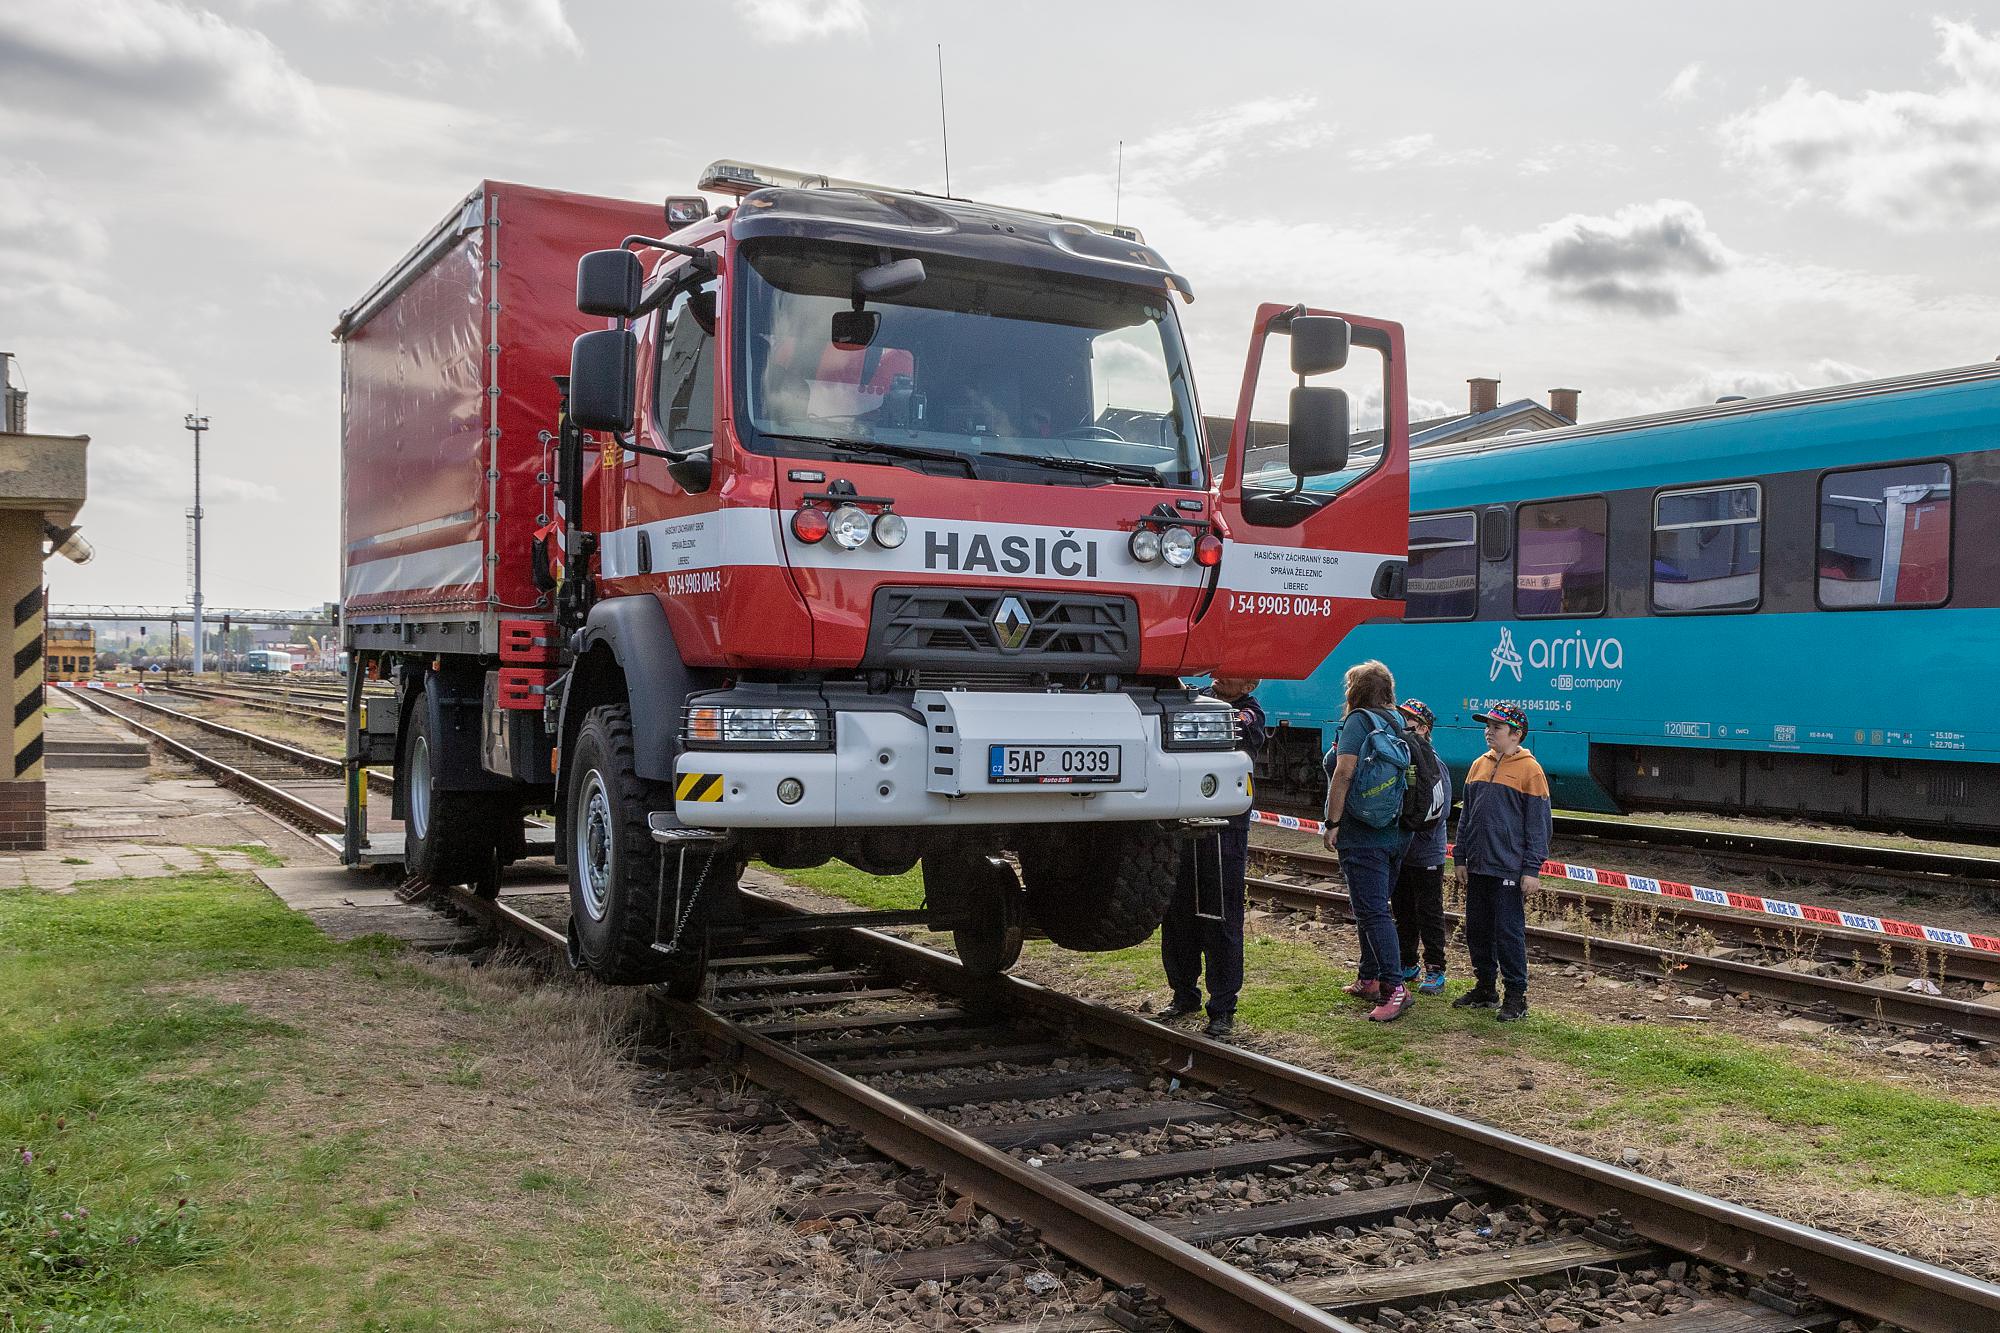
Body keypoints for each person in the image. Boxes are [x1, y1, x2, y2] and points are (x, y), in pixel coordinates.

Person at [1160, 676, 1266, 1039]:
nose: (1218, 674)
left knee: (1222, 917)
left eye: (1231, 670)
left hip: (1224, 828)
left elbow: (1235, 732)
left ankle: (1222, 1007)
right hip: (1181, 819)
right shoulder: (1198, 698)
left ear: (1249, 682)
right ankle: (1182, 993)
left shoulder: (1250, 714)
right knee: (1177, 913)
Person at [1320, 660, 1414, 1022]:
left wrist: (1333, 822)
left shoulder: (1359, 721)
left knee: (1373, 912)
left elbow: (1343, 772)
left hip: (1363, 833)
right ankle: (1370, 977)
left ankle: (1395, 988)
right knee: (1371, 907)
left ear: (1354, 692)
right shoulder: (1397, 721)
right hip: (1396, 832)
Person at [1450, 702, 1552, 1022]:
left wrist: (1531, 869)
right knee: (1477, 929)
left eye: (1496, 727)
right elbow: (1466, 817)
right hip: (1478, 864)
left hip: (1508, 866)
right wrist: (1460, 857)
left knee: (1508, 932)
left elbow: (1538, 824)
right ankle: (1485, 988)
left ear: (1516, 734)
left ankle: (1516, 996)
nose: (1488, 731)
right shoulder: (1479, 765)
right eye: (1487, 726)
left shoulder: (1530, 770)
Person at [1391, 699, 1451, 995]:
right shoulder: (1402, 757)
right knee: (1403, 910)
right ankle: (1407, 962)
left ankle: (1436, 968)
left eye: (1409, 723)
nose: (1402, 728)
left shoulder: (1432, 762)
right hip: (1404, 850)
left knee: (1429, 911)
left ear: (1424, 729)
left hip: (1426, 851)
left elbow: (1442, 808)